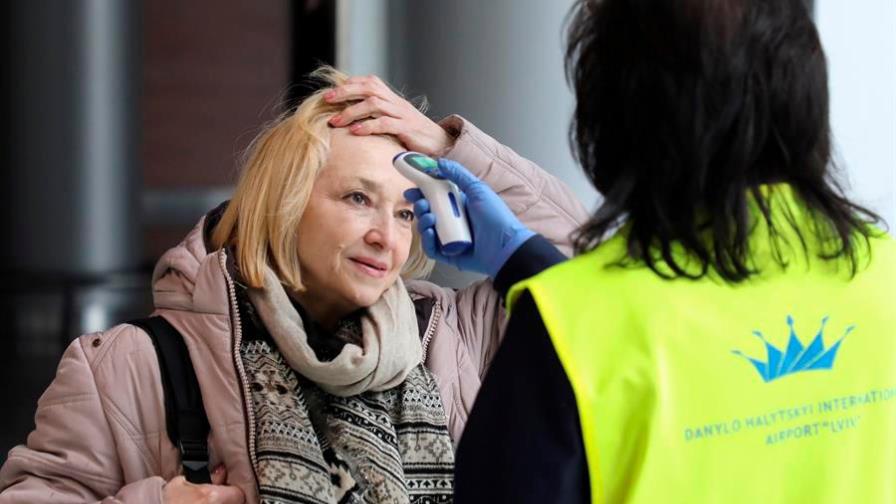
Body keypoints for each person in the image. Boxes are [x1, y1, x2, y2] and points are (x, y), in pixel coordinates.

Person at [0, 67, 587, 503]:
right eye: (358, 199)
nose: (388, 236)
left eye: (407, 213)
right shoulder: (129, 364)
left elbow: (592, 269)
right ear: (284, 202)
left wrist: (449, 144)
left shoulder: (454, 335)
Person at [451, 0, 896, 502]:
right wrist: (522, 259)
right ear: (809, 95)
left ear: (616, 117)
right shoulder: (887, 279)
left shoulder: (569, 329)